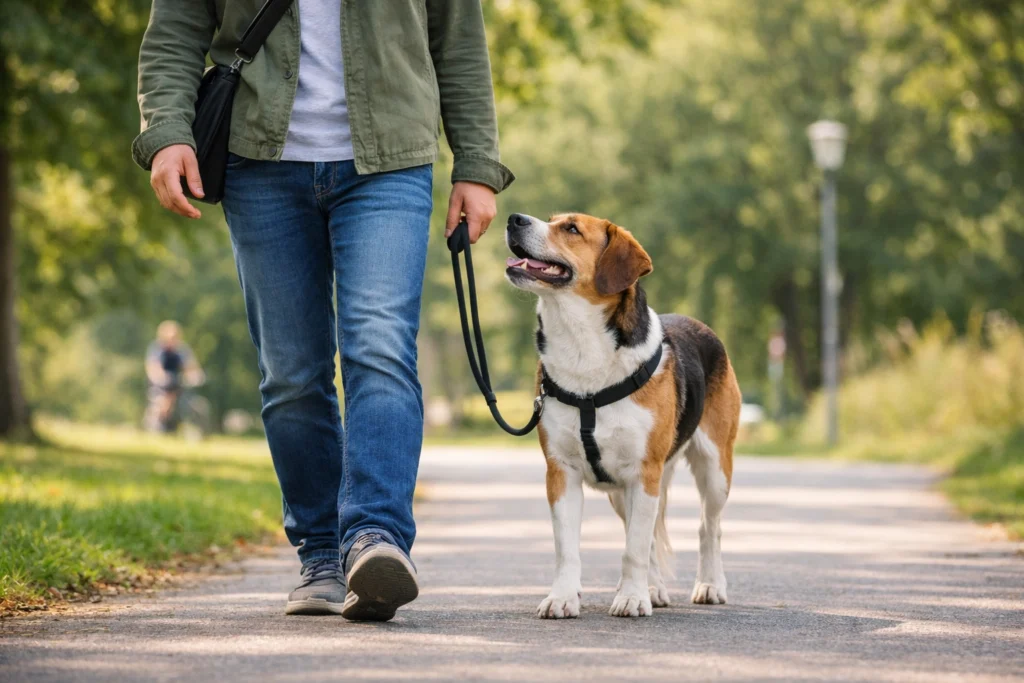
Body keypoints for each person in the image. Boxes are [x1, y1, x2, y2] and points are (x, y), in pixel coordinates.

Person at [133, 1, 512, 621]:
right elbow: (175, 28)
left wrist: (475, 163)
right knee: (291, 372)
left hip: (390, 160)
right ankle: (321, 553)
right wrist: (168, 131)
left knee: (379, 346)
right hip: (259, 161)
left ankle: (375, 539)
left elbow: (458, 37)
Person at [144, 321, 205, 433]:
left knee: (190, 401)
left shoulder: (182, 350)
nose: (173, 341)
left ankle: (191, 427)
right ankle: (157, 426)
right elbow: (153, 367)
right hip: (161, 385)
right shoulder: (157, 349)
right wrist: (162, 377)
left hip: (178, 384)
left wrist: (196, 376)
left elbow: (191, 366)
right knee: (161, 403)